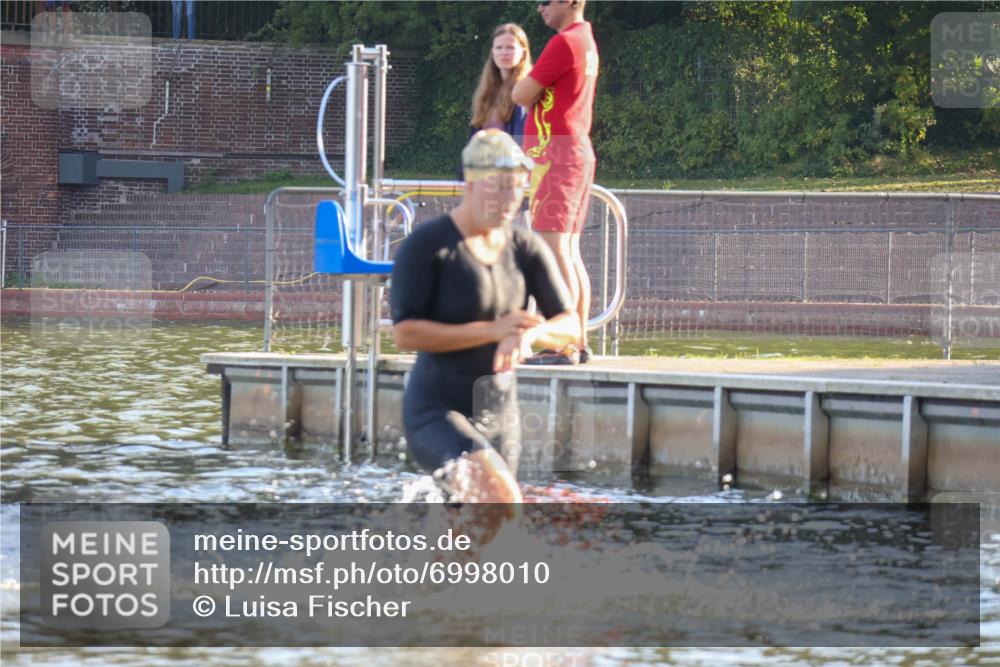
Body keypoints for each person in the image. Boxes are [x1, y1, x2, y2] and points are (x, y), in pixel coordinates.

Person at [391, 129, 581, 507]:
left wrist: (530, 334)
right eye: (497, 187)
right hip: (437, 412)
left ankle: (417, 568)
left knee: (475, 536)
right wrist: (494, 330)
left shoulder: (525, 248)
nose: (509, 199)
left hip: (500, 415)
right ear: (470, 183)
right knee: (501, 504)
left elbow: (571, 325)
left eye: (517, 187)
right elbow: (406, 334)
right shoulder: (429, 246)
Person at [512, 0, 598, 365]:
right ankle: (576, 340)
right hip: (571, 151)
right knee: (569, 251)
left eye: (545, 2)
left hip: (555, 155)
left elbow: (520, 94)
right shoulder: (586, 39)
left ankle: (563, 344)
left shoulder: (564, 42)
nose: (539, 8)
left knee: (554, 250)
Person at [459, 23, 532, 180]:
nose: (504, 53)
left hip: (512, 180)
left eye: (510, 47)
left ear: (523, 52)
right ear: (492, 52)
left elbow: (522, 141)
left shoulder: (526, 91)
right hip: (483, 176)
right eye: (499, 48)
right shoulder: (486, 91)